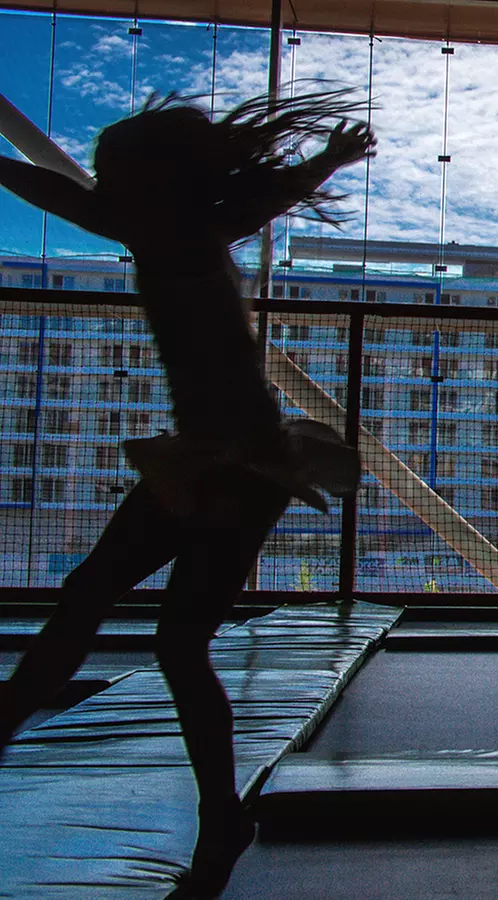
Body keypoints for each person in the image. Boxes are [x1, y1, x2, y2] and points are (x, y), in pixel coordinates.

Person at [0, 89, 370, 897]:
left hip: (236, 466)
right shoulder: (190, 226)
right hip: (225, 460)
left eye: (108, 170)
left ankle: (214, 808)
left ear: (143, 181)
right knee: (138, 618)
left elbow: (53, 194)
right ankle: (217, 812)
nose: (96, 182)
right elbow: (270, 192)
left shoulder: (165, 230)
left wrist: (325, 164)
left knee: (133, 615)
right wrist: (328, 160)